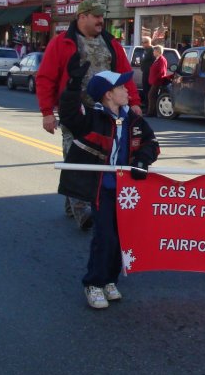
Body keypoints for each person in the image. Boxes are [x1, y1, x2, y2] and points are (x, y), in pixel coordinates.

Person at [57, 58, 160, 310]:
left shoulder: (133, 120)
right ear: (108, 95)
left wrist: (143, 161)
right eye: (122, 87)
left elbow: (151, 143)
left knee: (122, 238)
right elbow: (69, 115)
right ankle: (93, 283)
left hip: (127, 192)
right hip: (100, 188)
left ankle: (110, 280)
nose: (128, 90)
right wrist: (72, 84)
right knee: (105, 237)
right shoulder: (92, 118)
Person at [36, 0, 141, 231]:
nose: (101, 21)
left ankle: (72, 200)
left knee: (99, 159)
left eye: (102, 16)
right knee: (75, 157)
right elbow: (45, 78)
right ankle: (83, 211)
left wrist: (133, 102)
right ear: (81, 17)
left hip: (106, 113)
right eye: (95, 16)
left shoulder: (111, 44)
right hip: (75, 112)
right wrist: (47, 112)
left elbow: (124, 74)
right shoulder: (62, 43)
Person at [146, 45, 168, 117]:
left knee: (151, 95)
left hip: (157, 81)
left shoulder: (162, 60)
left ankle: (150, 113)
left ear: (158, 51)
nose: (153, 52)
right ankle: (154, 112)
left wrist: (155, 79)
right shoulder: (157, 59)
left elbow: (162, 72)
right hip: (154, 81)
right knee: (153, 96)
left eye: (154, 51)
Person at [139, 35, 154, 103]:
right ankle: (145, 103)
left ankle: (148, 105)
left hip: (149, 73)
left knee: (148, 89)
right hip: (145, 72)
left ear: (148, 42)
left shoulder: (152, 50)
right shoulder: (145, 50)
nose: (142, 44)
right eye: (142, 42)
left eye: (143, 42)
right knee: (145, 89)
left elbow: (154, 61)